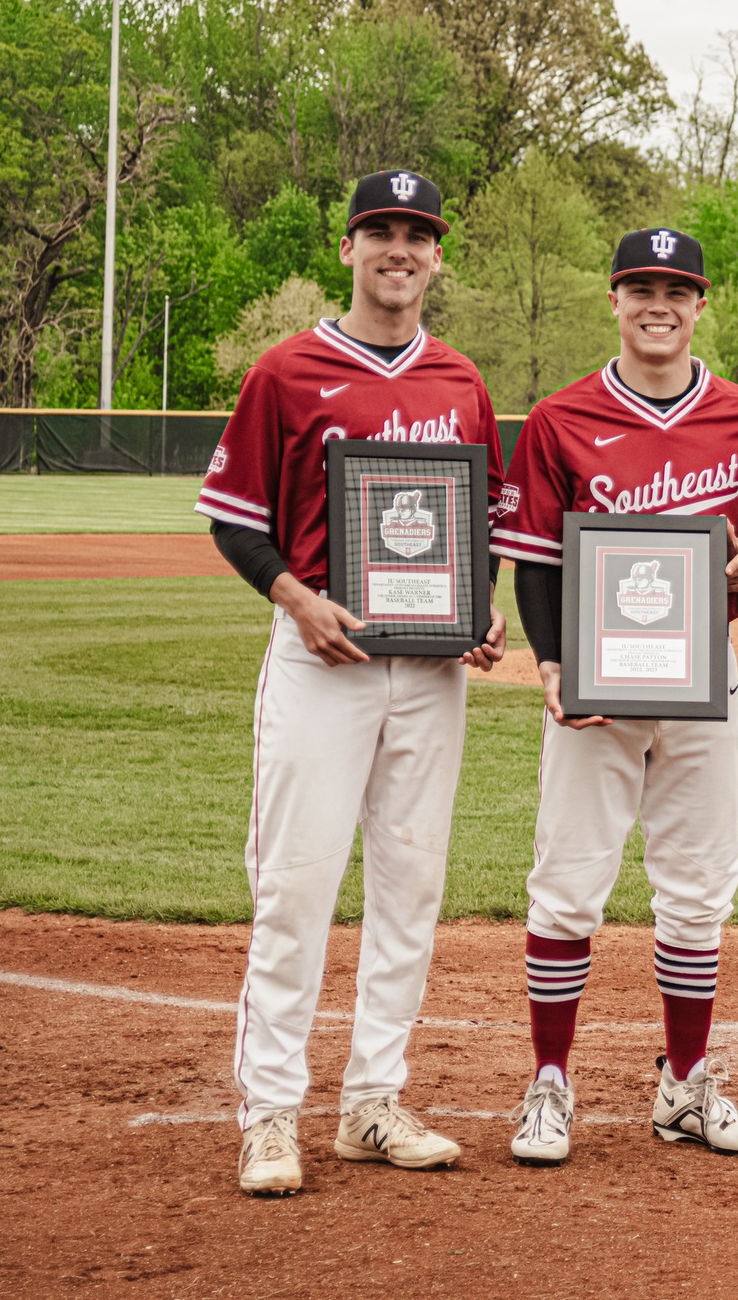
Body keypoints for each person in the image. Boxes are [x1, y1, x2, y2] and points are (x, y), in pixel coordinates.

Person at [196, 170, 508, 1197]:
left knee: (411, 888)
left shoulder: (460, 380)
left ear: (436, 256)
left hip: (427, 672)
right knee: (295, 886)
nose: (399, 250)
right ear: (348, 247)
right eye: (380, 230)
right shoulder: (286, 370)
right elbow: (235, 514)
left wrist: (479, 611)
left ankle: (373, 1099)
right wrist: (293, 595)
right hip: (321, 657)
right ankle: (270, 1113)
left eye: (417, 234)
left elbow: (480, 525)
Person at [490, 227, 738, 1166]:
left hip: (705, 680)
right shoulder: (559, 417)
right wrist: (548, 663)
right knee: (568, 881)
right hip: (594, 690)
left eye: (677, 289)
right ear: (614, 300)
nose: (658, 304)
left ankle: (684, 1086)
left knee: (697, 889)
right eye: (640, 287)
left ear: (702, 305)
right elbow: (534, 556)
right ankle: (549, 1083)